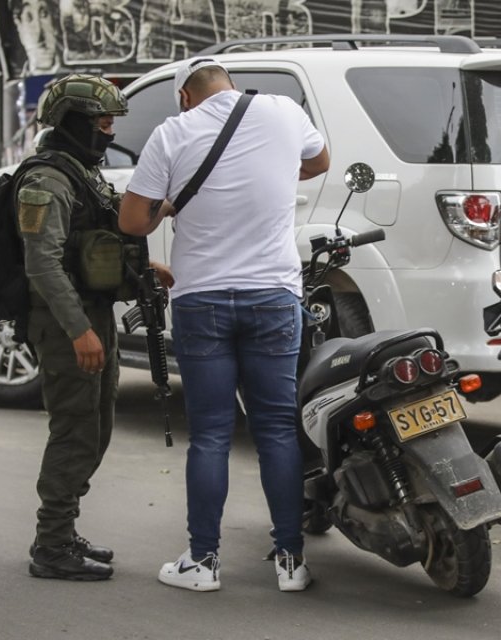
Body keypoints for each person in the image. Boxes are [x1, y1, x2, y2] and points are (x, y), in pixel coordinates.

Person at [118, 58, 330, 593]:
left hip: (203, 299)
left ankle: (203, 563)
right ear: (229, 86)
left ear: (185, 97)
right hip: (274, 295)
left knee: (211, 435)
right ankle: (290, 562)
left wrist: (169, 205)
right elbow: (320, 161)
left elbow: (131, 221)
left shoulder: (174, 130)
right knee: (277, 429)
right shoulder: (282, 110)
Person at [22, 74, 172, 581]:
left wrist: (141, 273)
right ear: (74, 124)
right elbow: (42, 264)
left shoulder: (79, 173)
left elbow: (92, 245)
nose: (110, 133)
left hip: (92, 314)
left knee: (97, 429)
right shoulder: (47, 181)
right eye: (103, 123)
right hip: (68, 322)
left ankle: (63, 532)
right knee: (75, 432)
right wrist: (78, 330)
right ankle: (51, 545)